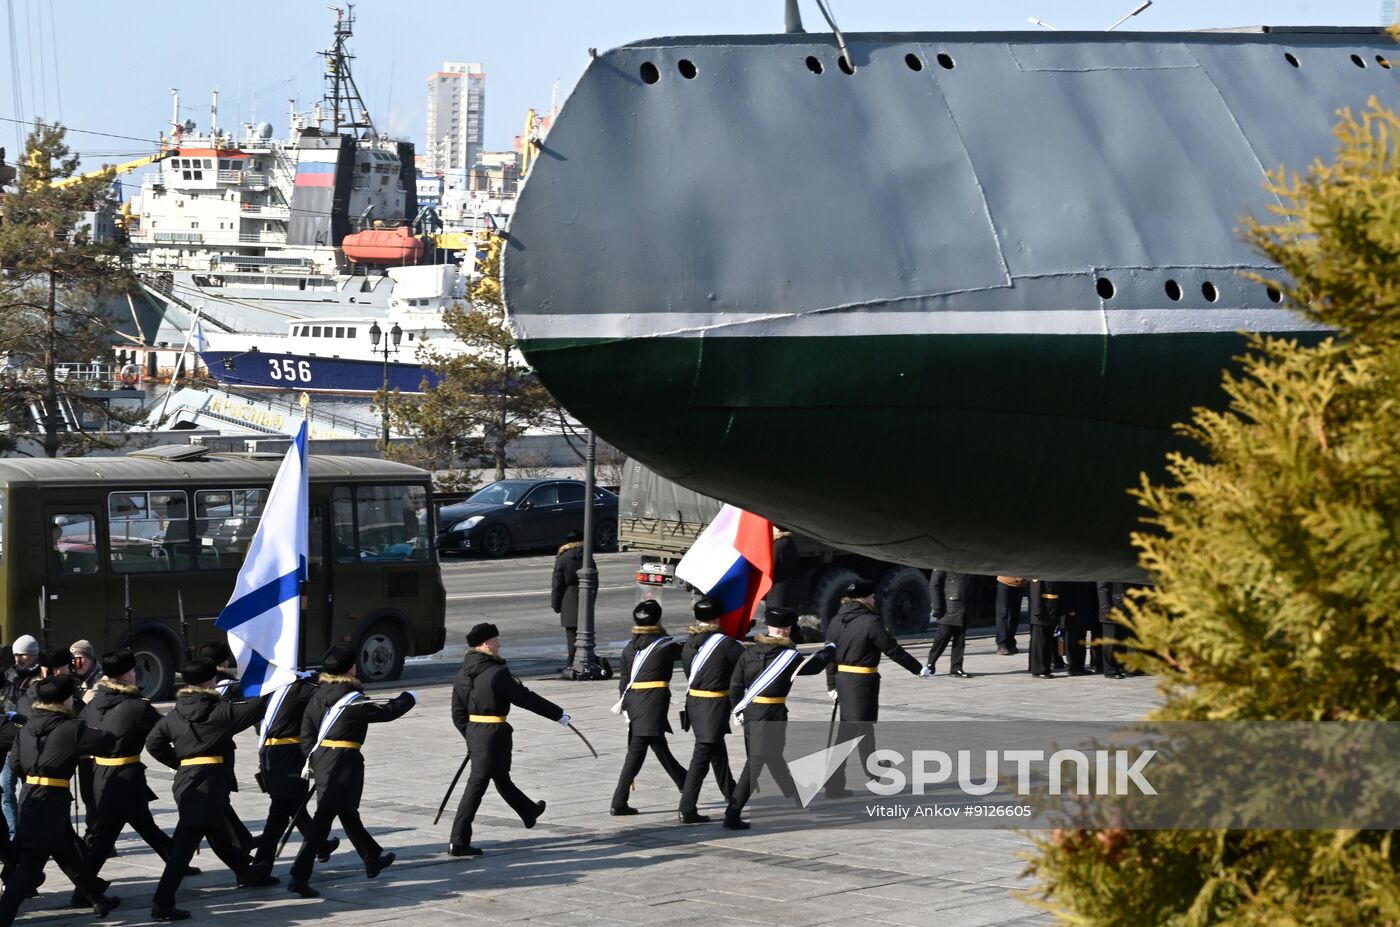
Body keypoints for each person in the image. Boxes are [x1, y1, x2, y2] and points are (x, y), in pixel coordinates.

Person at [145, 657, 277, 922]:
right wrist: (272, 681)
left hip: (186, 779)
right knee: (184, 845)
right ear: (209, 682)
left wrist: (180, 762)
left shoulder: (174, 715)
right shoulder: (220, 711)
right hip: (209, 782)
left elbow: (153, 743)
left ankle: (247, 872)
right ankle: (162, 902)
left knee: (216, 832)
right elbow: (257, 707)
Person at [287, 643, 416, 898]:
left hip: (324, 759)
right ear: (351, 669)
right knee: (324, 819)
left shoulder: (318, 695)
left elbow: (306, 733)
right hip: (344, 762)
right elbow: (385, 712)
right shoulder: (352, 699)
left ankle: (372, 858)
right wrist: (408, 698)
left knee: (347, 811)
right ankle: (298, 876)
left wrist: (316, 758)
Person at [0, 674, 120, 922]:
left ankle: (96, 898)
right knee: (30, 865)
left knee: (67, 851)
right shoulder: (71, 728)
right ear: (65, 701)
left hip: (30, 796)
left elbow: (15, 764)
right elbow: (106, 741)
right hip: (52, 799)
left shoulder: (25, 727)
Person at [448, 623, 567, 857]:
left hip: (477, 733)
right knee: (477, 785)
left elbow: (457, 713)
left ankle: (529, 811)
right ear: (485, 644)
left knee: (501, 777)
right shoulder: (496, 673)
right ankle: (458, 841)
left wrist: (472, 736)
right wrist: (557, 713)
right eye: (495, 641)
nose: (499, 645)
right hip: (494, 733)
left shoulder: (462, 674)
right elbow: (524, 698)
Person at [81, 650, 195, 883]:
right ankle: (84, 887)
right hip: (126, 777)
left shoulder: (93, 704)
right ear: (125, 676)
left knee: (142, 824)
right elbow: (165, 731)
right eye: (132, 671)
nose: (134, 674)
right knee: (109, 834)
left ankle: (176, 862)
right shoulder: (137, 706)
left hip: (100, 775)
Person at [723, 607, 834, 829]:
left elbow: (735, 686)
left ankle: (796, 796)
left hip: (750, 712)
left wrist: (737, 710)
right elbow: (813, 667)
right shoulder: (788, 656)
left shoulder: (749, 652)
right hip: (772, 714)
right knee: (755, 763)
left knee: (772, 756)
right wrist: (830, 649)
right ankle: (732, 814)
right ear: (786, 629)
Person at [823, 579, 927, 797]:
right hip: (861, 685)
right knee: (848, 736)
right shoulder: (871, 622)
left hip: (844, 681)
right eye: (871, 596)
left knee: (863, 730)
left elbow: (828, 655)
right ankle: (834, 785)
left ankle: (874, 772)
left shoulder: (836, 620)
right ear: (864, 598)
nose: (874, 600)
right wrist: (918, 668)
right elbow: (892, 650)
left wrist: (832, 684)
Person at [251, 670, 336, 873]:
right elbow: (328, 695)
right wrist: (312, 678)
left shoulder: (268, 688)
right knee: (281, 813)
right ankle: (261, 866)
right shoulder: (299, 688)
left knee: (291, 806)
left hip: (269, 753)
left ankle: (319, 846)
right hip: (288, 756)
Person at [610, 600, 687, 815]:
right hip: (652, 702)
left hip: (634, 702)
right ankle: (618, 802)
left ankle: (683, 780)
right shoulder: (664, 645)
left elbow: (624, 680)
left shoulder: (629, 648)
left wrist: (627, 706)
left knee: (657, 744)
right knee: (637, 752)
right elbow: (687, 651)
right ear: (658, 620)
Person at [677, 596, 742, 824]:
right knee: (701, 757)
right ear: (717, 618)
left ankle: (732, 794)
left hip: (695, 703)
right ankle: (687, 808)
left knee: (717, 752)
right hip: (713, 705)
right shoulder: (725, 644)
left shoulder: (689, 642)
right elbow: (745, 662)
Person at [198, 640, 256, 855]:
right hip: (220, 748)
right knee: (217, 798)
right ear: (224, 662)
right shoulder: (231, 685)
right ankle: (240, 842)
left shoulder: (195, 682)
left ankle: (242, 840)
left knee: (219, 798)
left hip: (196, 747)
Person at [0, 634, 40, 838]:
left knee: (30, 791)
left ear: (33, 655)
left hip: (29, 743)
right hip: (8, 742)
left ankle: (31, 833)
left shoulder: (40, 677)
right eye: (15, 655)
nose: (18, 659)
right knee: (6, 791)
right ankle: (13, 835)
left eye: (22, 655)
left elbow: (28, 703)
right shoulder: (10, 674)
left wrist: (7, 687)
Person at [69, 639, 103, 841]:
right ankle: (94, 832)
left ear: (90, 659)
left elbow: (89, 708)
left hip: (97, 747)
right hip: (82, 747)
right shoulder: (75, 681)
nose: (76, 664)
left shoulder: (100, 681)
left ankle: (96, 836)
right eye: (72, 660)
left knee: (96, 795)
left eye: (79, 659)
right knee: (86, 793)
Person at [550, 529, 588, 669]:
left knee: (572, 635)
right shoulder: (587, 557)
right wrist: (592, 599)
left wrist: (555, 604)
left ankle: (572, 664)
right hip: (585, 597)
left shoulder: (562, 558)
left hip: (569, 599)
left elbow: (557, 584)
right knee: (586, 633)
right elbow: (595, 580)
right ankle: (583, 662)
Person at [926, 570, 973, 678]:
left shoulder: (969, 564)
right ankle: (930, 663)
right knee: (943, 635)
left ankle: (956, 667)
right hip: (948, 605)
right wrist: (937, 606)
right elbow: (934, 585)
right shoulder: (944, 562)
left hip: (963, 605)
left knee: (960, 638)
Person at [1096, 582, 1142, 680]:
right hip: (1111, 608)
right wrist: (1106, 610)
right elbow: (1102, 588)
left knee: (1123, 639)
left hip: (1125, 606)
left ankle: (1124, 668)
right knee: (1110, 642)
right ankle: (1110, 670)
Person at [765, 526, 803, 611]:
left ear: (778, 530)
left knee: (775, 613)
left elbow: (771, 566)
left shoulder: (778, 544)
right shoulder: (790, 541)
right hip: (787, 586)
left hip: (776, 589)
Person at [1027, 580, 1058, 678]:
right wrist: (1037, 611)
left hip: (1051, 608)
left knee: (1047, 641)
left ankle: (1044, 668)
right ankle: (1039, 669)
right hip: (1042, 610)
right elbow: (1035, 591)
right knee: (1040, 642)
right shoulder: (1039, 573)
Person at [994, 576, 1026, 655]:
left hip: (1020, 583)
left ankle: (1011, 643)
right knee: (1003, 613)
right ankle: (1002, 644)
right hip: (1005, 580)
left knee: (1015, 614)